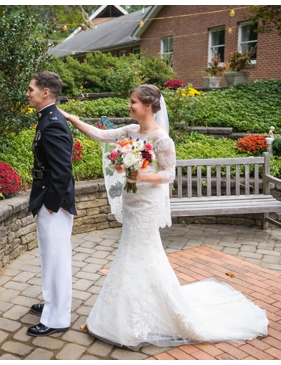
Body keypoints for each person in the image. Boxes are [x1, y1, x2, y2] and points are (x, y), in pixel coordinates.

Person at [61, 84, 269, 348]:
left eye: (133, 102)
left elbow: (169, 174)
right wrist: (71, 117)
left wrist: (141, 175)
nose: (129, 106)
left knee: (138, 252)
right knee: (133, 251)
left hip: (147, 205)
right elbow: (100, 135)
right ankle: (128, 311)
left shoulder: (162, 139)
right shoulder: (131, 131)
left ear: (148, 106)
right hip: (131, 200)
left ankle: (134, 317)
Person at [24, 71, 77, 337]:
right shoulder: (48, 117)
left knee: (57, 259)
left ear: (46, 92)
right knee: (49, 256)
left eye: (31, 88)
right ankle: (51, 302)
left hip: (53, 202)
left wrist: (52, 206)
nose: (27, 93)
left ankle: (57, 318)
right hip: (47, 197)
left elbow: (62, 171)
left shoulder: (53, 122)